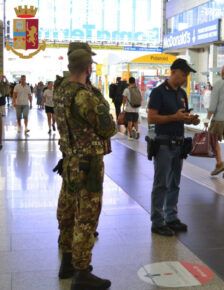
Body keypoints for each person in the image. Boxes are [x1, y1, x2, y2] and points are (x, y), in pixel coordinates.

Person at [53, 41, 116, 290]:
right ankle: (82, 273)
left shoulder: (61, 90)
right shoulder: (84, 96)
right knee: (86, 218)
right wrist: (97, 94)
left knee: (67, 214)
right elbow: (108, 127)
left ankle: (67, 262)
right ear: (88, 68)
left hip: (69, 161)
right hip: (88, 165)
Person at [147, 58, 200, 236]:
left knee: (175, 183)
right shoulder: (158, 92)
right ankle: (157, 220)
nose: (185, 77)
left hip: (179, 143)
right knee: (161, 183)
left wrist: (189, 119)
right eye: (183, 74)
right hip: (163, 143)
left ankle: (171, 216)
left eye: (187, 75)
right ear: (173, 71)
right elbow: (152, 118)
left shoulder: (182, 94)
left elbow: (181, 115)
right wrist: (174, 117)